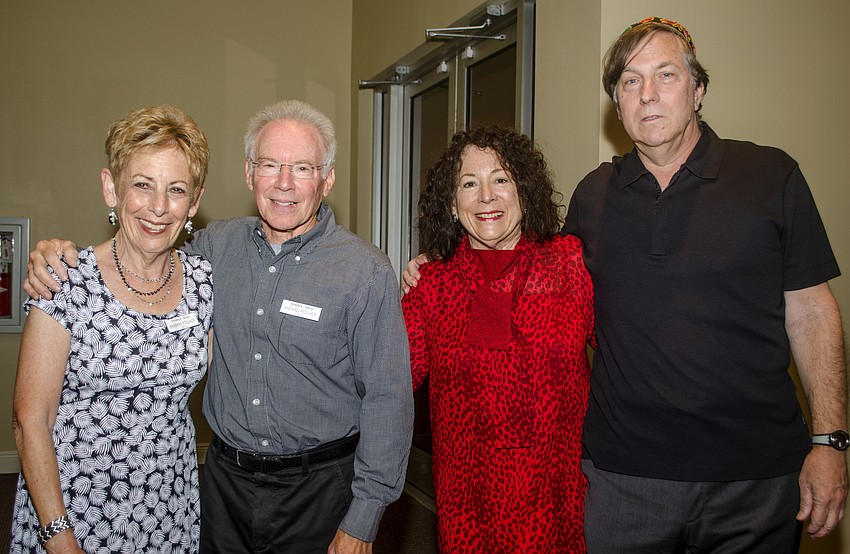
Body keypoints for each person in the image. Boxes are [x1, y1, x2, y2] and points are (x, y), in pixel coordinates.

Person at [405, 17, 848, 553]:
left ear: (698, 89)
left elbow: (813, 312)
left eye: (666, 75)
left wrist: (830, 441)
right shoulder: (593, 197)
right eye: (630, 82)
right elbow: (527, 284)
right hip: (621, 483)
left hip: (752, 481)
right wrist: (434, 268)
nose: (649, 94)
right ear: (617, 104)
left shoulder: (770, 177)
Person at [25, 99, 414, 554]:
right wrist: (54, 252)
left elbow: (389, 399)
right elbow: (143, 255)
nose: (284, 183)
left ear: (326, 180)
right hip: (224, 488)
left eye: (302, 168)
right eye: (269, 164)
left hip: (321, 492)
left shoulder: (364, 271)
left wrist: (363, 520)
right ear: (250, 174)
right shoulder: (213, 250)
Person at [11, 105, 212, 553]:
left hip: (169, 510)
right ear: (111, 188)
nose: (158, 207)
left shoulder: (204, 282)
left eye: (176, 189)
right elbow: (30, 421)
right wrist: (59, 538)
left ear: (194, 201)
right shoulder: (63, 279)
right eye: (142, 184)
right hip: (74, 511)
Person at [402, 124, 594, 552]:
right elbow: (385, 383)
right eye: (469, 183)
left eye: (501, 179)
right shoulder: (431, 285)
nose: (486, 196)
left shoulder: (571, 266)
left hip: (558, 503)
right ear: (452, 205)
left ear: (523, 191)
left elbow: (631, 351)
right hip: (469, 511)